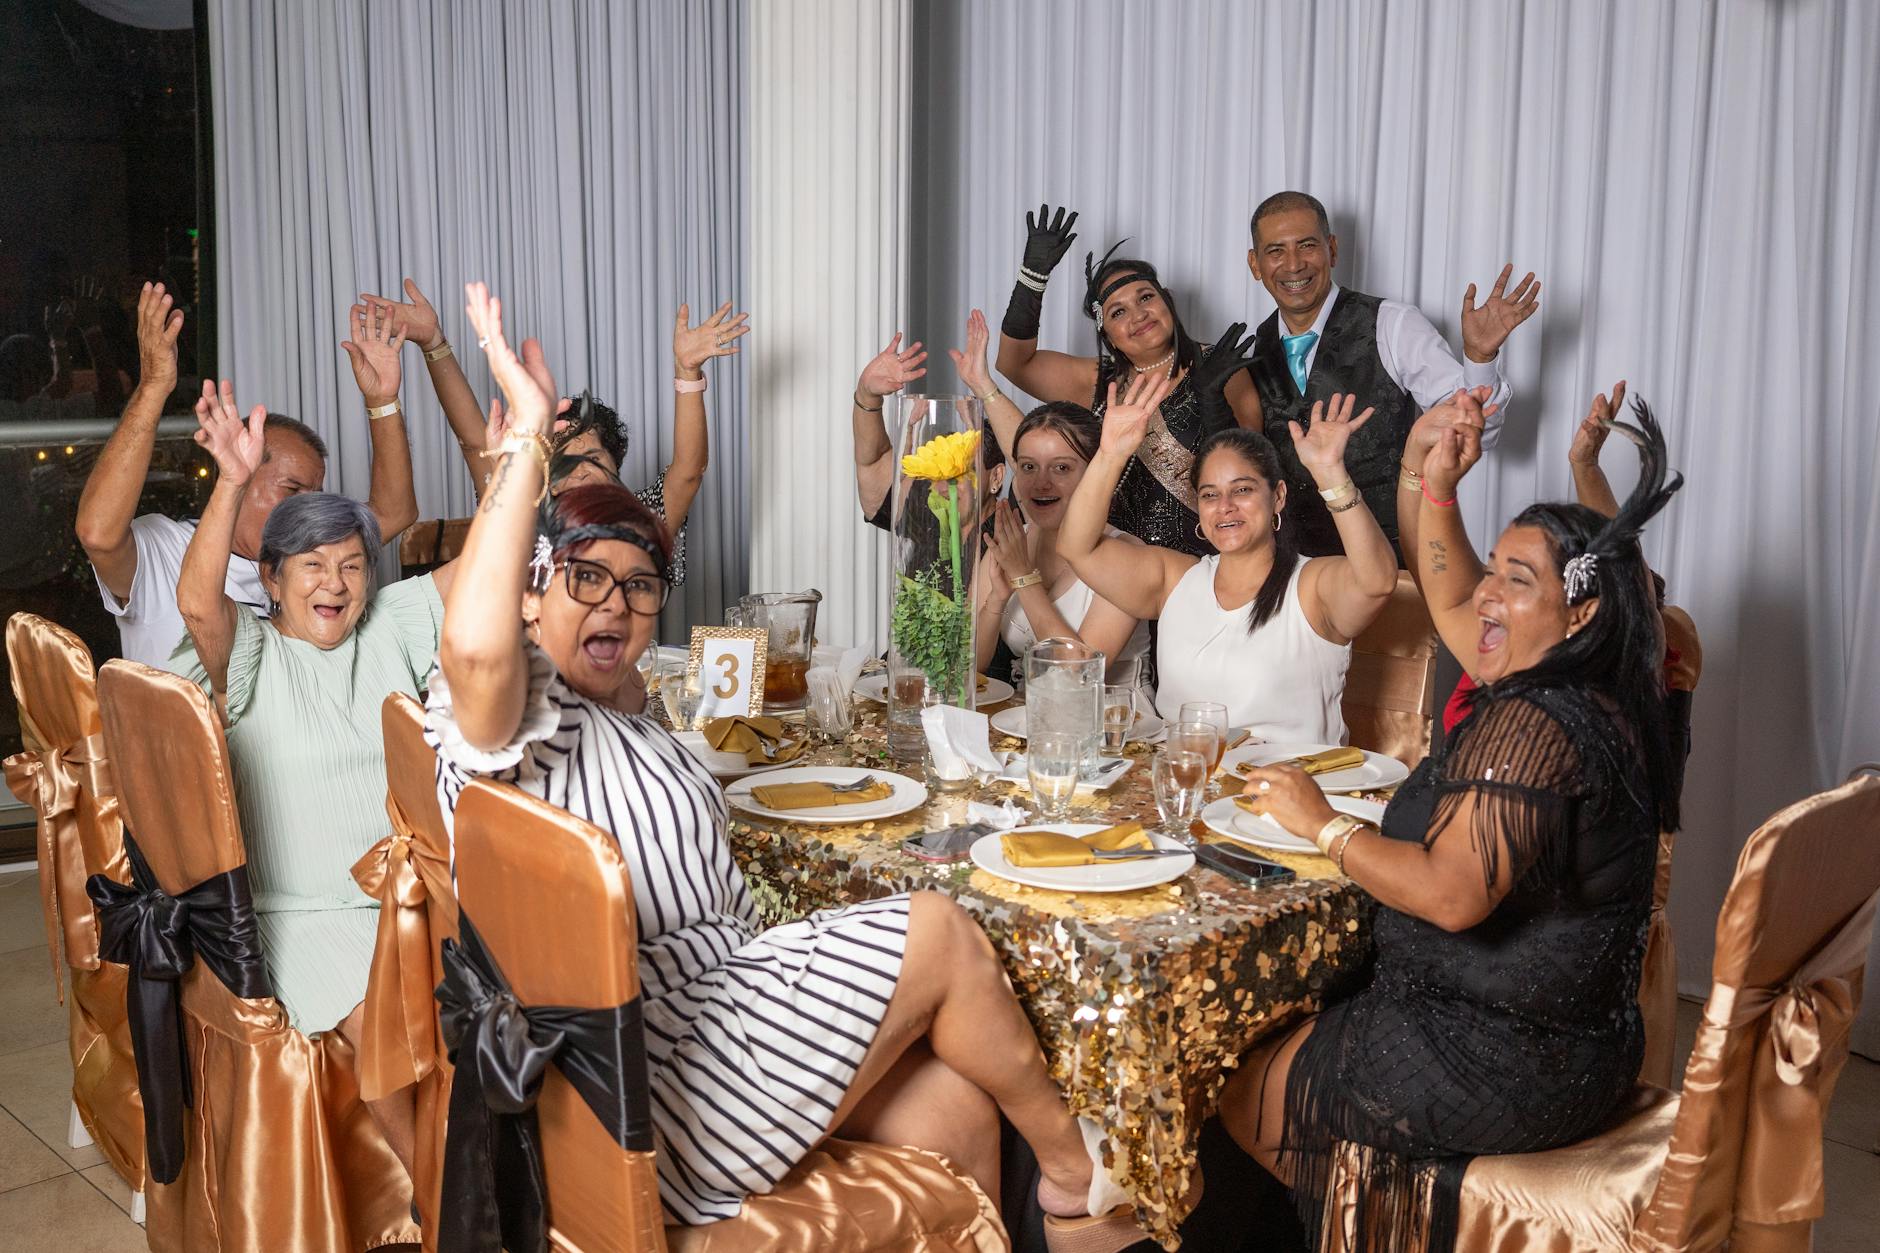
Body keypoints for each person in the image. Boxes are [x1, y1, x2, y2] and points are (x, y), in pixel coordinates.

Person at [429, 283, 1135, 1246]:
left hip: (715, 1009)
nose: (619, 606)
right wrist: (521, 442)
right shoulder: (505, 717)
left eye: (639, 587)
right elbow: (472, 654)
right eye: (584, 578)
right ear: (524, 595)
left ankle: (1042, 1188)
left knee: (959, 1110)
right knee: (939, 928)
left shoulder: (615, 705)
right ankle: (1081, 1179)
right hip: (668, 1065)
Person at [1218, 396, 1684, 1253]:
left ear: (1580, 612)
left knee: (1229, 1080)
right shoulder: (1615, 678)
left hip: (1499, 1055)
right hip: (1580, 1038)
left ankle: (1345, 1228)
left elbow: (1452, 895)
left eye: (1518, 578)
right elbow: (1451, 591)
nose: (1487, 592)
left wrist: (1322, 824)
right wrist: (1437, 485)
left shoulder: (1536, 721)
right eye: (1495, 568)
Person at [171, 385, 458, 1181]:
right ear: (270, 577)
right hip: (301, 917)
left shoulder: (391, 626)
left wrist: (521, 463)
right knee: (381, 1020)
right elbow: (198, 607)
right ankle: (443, 1204)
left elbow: (483, 573)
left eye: (351, 565)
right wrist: (231, 480)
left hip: (411, 902)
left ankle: (510, 1184)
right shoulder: (252, 657)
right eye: (311, 566)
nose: (333, 583)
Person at [77, 282, 419, 669]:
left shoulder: (315, 556)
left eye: (315, 494)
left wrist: (382, 400)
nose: (306, 509)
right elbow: (98, 534)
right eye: (291, 489)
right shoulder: (168, 549)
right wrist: (154, 387)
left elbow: (395, 512)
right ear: (236, 468)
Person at [1058, 371, 1397, 741]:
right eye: (1209, 495)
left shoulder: (1311, 585)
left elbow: (1377, 582)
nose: (1225, 507)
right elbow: (1077, 546)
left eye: (1243, 490)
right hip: (1185, 782)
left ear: (1278, 497)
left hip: (1283, 789)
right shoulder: (1176, 580)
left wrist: (1332, 476)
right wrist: (1111, 455)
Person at [362, 279, 741, 587]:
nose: (579, 472)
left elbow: (688, 471)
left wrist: (687, 372)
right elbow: (475, 440)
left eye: (591, 458)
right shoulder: (522, 513)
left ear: (617, 467)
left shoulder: (639, 518)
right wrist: (433, 344)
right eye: (564, 462)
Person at [1239, 190, 1540, 556]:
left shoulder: (1393, 324)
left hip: (1390, 565)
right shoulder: (1250, 352)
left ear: (1332, 249)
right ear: (1255, 265)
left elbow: (1478, 433)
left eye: (1307, 245)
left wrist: (1480, 357)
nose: (1293, 264)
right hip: (1291, 576)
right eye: (1276, 251)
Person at [995, 204, 1261, 556]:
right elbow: (1014, 363)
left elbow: (1253, 470)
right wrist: (1033, 277)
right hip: (1117, 570)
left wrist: (1211, 398)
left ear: (1168, 300)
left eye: (1146, 297)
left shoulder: (1219, 364)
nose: (1138, 315)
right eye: (1118, 311)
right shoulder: (1098, 380)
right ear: (1106, 333)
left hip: (1207, 565)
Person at [951, 314, 1148, 691]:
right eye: (1027, 466)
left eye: (1061, 467)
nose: (1041, 483)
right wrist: (996, 601)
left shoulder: (1126, 554)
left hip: (1119, 734)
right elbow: (964, 665)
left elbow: (1080, 677)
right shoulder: (1010, 543)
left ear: (1093, 474)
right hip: (1030, 727)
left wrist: (1024, 579)